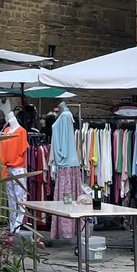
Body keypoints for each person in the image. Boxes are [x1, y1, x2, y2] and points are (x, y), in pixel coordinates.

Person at [49, 101, 81, 242]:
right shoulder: (65, 115)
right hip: (65, 162)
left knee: (66, 198)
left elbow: (64, 139)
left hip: (65, 162)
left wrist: (61, 153)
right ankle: (66, 230)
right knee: (66, 198)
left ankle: (67, 230)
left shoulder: (65, 116)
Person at [0, 110, 30, 235]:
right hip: (7, 168)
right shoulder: (6, 131)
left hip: (18, 167)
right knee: (11, 199)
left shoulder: (22, 131)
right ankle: (12, 226)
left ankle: (17, 226)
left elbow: (22, 150)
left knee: (20, 198)